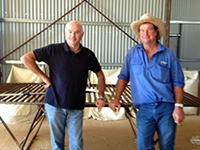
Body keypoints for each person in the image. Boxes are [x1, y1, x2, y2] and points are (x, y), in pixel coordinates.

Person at [21, 20, 106, 150]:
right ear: (65, 33)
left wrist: (101, 96)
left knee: (77, 145)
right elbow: (26, 58)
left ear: (82, 34)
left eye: (77, 32)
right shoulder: (53, 50)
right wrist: (44, 77)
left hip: (76, 107)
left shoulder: (88, 55)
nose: (73, 35)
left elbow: (100, 75)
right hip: (54, 105)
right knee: (57, 144)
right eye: (70, 32)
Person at [109, 13, 185, 150]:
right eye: (142, 30)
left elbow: (178, 82)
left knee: (167, 145)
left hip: (166, 107)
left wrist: (178, 106)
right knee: (143, 145)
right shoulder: (132, 53)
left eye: (149, 29)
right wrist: (116, 98)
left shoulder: (168, 55)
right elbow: (123, 76)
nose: (145, 33)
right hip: (144, 107)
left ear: (156, 32)